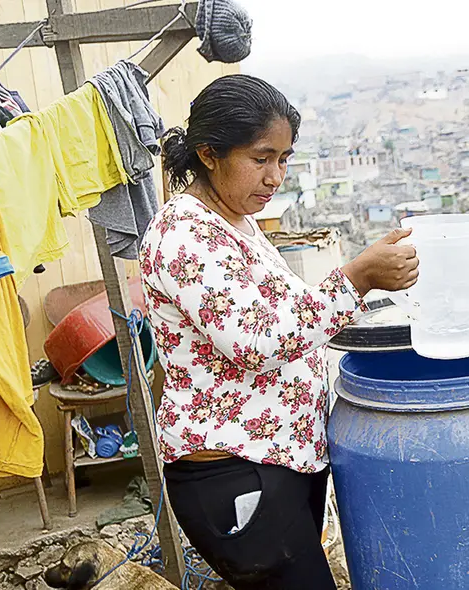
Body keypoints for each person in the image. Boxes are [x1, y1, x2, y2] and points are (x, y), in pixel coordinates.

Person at [138, 74, 418, 589]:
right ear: (208, 153)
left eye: (284, 159)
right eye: (261, 158)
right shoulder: (184, 236)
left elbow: (289, 312)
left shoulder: (232, 222)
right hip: (235, 470)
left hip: (279, 461)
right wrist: (356, 278)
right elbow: (258, 342)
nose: (275, 177)